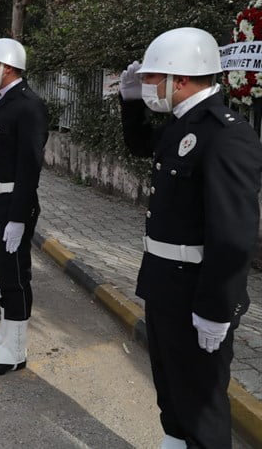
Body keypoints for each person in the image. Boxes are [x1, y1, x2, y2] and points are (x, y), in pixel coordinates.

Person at [118, 28, 262, 448]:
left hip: (197, 293)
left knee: (202, 404)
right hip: (165, 283)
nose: (146, 86)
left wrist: (217, 309)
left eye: (150, 78)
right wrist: (129, 102)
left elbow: (233, 234)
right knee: (170, 386)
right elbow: (141, 144)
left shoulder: (225, 134)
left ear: (178, 80)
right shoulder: (180, 124)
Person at [0, 38, 48, 377]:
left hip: (12, 203)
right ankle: (5, 332)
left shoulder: (28, 105)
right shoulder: (2, 101)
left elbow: (29, 167)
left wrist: (18, 217)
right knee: (4, 273)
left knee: (15, 276)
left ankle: (17, 348)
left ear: (9, 67)